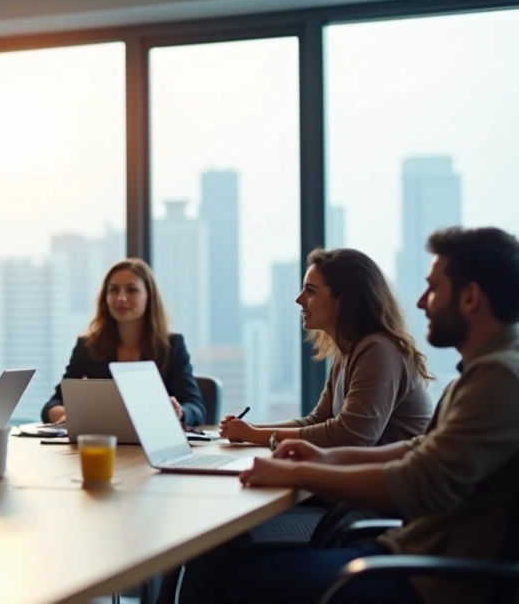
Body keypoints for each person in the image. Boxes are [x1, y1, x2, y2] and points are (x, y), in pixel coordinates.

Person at [177, 226, 519, 604]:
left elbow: (417, 480)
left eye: (434, 288)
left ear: (470, 297)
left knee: (235, 574)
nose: (422, 302)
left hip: (429, 579)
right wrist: (322, 457)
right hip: (411, 554)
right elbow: (416, 448)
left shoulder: (499, 376)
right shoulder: (483, 370)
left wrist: (301, 469)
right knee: (226, 551)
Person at [221, 248, 433, 449]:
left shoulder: (378, 350)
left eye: (310, 291)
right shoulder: (349, 350)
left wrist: (253, 435)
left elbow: (351, 437)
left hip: (392, 484)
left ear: (344, 300)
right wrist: (249, 429)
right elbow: (317, 421)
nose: (299, 299)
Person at [40, 258, 205, 428]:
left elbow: (196, 407)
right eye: (113, 290)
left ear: (149, 297)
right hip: (101, 443)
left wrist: (179, 412)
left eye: (132, 290)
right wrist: (70, 414)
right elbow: (52, 405)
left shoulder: (172, 346)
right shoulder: (87, 346)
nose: (121, 298)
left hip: (152, 445)